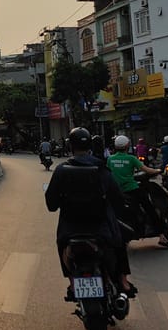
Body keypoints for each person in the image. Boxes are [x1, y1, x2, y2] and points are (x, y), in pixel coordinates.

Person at [45, 127, 137, 298]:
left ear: (70, 146)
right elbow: (117, 198)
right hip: (101, 226)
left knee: (62, 245)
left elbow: (51, 205)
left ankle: (73, 283)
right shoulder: (101, 168)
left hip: (70, 227)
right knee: (119, 243)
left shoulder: (61, 170)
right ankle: (123, 281)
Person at [107, 135, 168, 247]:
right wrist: (157, 170)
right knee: (150, 209)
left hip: (117, 192)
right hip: (131, 189)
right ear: (127, 145)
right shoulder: (131, 158)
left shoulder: (110, 159)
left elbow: (108, 173)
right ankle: (162, 236)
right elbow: (146, 170)